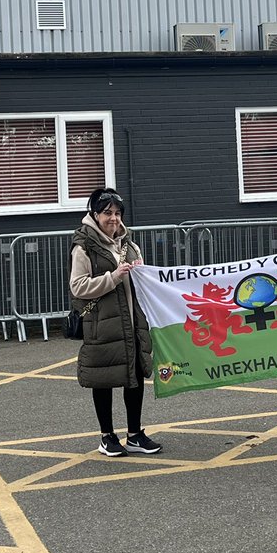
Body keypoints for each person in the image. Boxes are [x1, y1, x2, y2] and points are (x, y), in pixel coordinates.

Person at [68, 187, 162, 458]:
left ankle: (135, 434)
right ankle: (107, 436)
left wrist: (141, 272)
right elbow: (78, 286)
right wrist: (114, 276)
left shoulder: (129, 245)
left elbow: (138, 282)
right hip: (102, 323)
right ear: (95, 214)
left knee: (134, 376)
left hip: (132, 321)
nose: (113, 218)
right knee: (104, 377)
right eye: (107, 212)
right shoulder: (83, 245)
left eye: (117, 213)